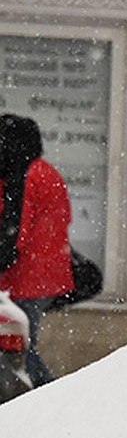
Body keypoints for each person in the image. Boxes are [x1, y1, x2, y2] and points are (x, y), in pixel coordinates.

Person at [0, 114, 73, 388]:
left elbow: (15, 231)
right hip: (44, 275)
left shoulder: (25, 176)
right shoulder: (45, 171)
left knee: (22, 353)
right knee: (23, 350)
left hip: (28, 279)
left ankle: (48, 400)